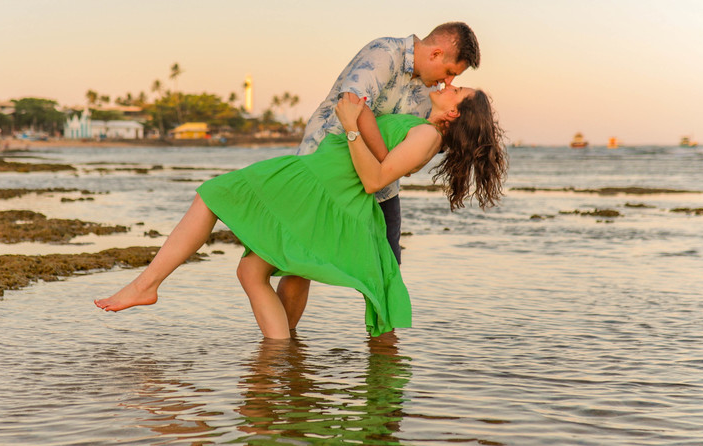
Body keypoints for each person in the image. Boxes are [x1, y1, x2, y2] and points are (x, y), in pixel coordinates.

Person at [94, 84, 506, 339]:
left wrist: (351, 125)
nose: (449, 85)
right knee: (249, 270)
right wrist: (358, 115)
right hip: (315, 181)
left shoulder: (427, 136)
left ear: (454, 113)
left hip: (322, 191)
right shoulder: (420, 126)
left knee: (213, 195)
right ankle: (280, 357)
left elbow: (374, 180)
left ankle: (148, 286)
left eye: (457, 90)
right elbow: (381, 154)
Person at [278, 22, 481, 330]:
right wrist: (386, 163)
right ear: (436, 53)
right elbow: (356, 105)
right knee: (301, 263)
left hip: (382, 187)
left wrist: (428, 149)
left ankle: (385, 354)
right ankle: (283, 346)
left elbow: (418, 143)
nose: (449, 81)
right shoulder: (384, 53)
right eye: (450, 71)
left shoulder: (431, 92)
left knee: (387, 271)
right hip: (326, 171)